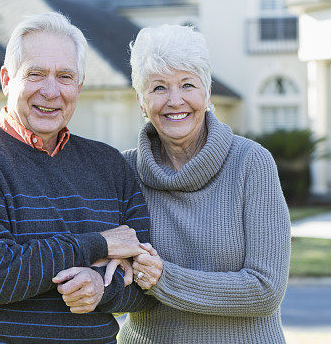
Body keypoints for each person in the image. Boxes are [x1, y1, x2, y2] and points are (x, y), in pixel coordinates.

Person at [0, 12, 151, 343]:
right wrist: (100, 243)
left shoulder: (111, 166)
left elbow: (145, 281)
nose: (51, 92)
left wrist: (98, 287)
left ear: (79, 85)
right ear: (7, 80)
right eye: (35, 74)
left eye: (65, 76)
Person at [118, 24, 292, 343]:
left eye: (187, 84)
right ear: (142, 102)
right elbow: (110, 280)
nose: (175, 100)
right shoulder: (124, 170)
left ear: (207, 93)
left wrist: (163, 279)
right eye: (158, 88)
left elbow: (266, 290)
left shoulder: (251, 163)